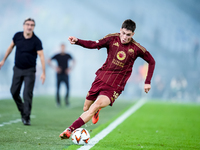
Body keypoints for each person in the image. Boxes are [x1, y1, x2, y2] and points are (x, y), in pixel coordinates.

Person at [59, 19, 155, 139]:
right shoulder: (111, 38)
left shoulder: (136, 48)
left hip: (115, 86)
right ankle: (97, 110)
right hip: (101, 78)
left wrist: (147, 82)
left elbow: (151, 61)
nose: (125, 37)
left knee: (95, 106)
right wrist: (78, 41)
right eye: (123, 33)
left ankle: (69, 130)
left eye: (128, 35)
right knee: (86, 108)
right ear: (120, 30)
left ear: (133, 35)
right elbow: (94, 44)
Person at [0, 18, 45, 125]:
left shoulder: (36, 41)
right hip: (18, 68)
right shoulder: (17, 36)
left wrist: (43, 72)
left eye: (32, 25)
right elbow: (10, 48)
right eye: (28, 24)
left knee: (27, 94)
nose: (29, 26)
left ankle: (26, 118)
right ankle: (23, 110)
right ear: (23, 26)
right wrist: (3, 60)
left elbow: (41, 56)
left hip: (30, 70)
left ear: (34, 27)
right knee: (14, 92)